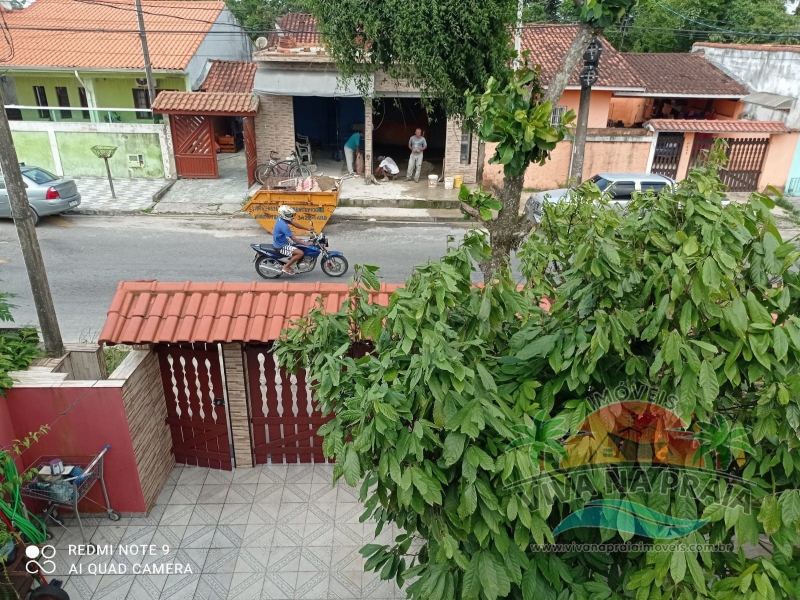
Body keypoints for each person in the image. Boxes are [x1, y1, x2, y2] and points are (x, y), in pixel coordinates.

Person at [273, 205, 314, 275]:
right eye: (289, 214)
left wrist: (307, 228)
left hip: (283, 240)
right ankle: (286, 267)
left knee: (302, 241)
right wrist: (306, 244)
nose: (291, 216)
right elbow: (294, 238)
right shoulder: (283, 226)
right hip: (281, 246)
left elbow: (294, 223)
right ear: (284, 215)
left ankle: (295, 261)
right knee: (300, 253)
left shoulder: (281, 218)